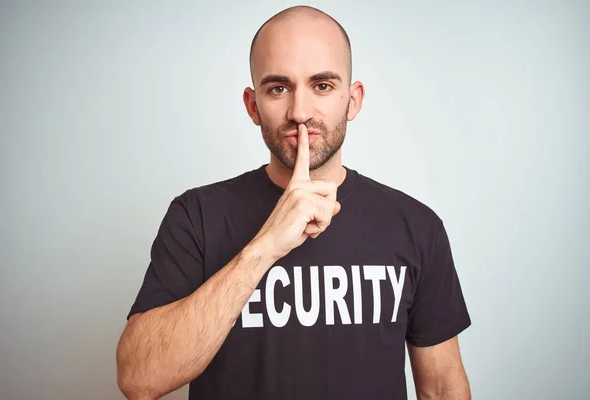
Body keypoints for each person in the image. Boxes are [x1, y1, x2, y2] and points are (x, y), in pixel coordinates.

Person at [116, 5, 472, 400]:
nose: (300, 112)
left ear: (352, 101)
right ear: (253, 106)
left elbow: (441, 389)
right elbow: (138, 379)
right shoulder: (197, 216)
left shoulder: (417, 226)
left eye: (322, 85)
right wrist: (265, 246)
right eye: (278, 88)